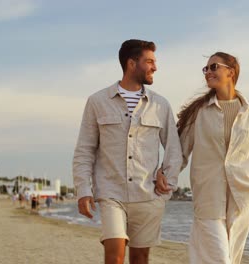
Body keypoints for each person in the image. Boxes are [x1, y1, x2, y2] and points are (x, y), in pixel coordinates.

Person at [73, 39, 182, 264]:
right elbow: (85, 150)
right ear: (132, 63)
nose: (155, 67)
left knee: (140, 259)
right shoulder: (97, 101)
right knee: (114, 256)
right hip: (112, 192)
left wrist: (167, 183)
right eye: (149, 61)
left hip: (148, 195)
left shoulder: (160, 104)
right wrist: (83, 189)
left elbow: (173, 147)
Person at [172, 52, 249, 263]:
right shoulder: (198, 112)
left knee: (231, 258)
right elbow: (181, 152)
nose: (208, 73)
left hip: (243, 195)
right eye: (205, 69)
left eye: (213, 67)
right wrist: (164, 178)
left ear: (230, 72)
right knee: (219, 258)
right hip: (208, 195)